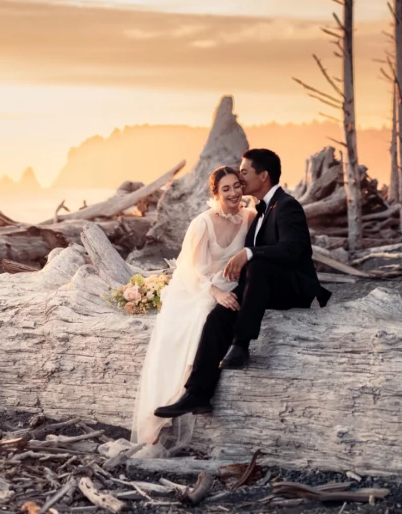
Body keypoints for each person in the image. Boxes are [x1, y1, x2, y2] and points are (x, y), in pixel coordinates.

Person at [154, 148, 331, 419]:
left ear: (264, 176)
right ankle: (197, 394)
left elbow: (293, 249)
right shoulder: (257, 211)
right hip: (263, 286)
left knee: (256, 263)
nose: (241, 179)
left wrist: (249, 252)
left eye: (245, 173)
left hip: (293, 288)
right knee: (217, 317)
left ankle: (241, 344)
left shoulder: (287, 205)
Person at [131, 166, 256, 445]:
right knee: (197, 318)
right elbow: (189, 270)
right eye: (226, 189)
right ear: (215, 193)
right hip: (196, 287)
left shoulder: (249, 217)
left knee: (220, 316)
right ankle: (174, 403)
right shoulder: (203, 223)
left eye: (237, 186)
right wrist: (215, 293)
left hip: (230, 284)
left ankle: (196, 393)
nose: (234, 193)